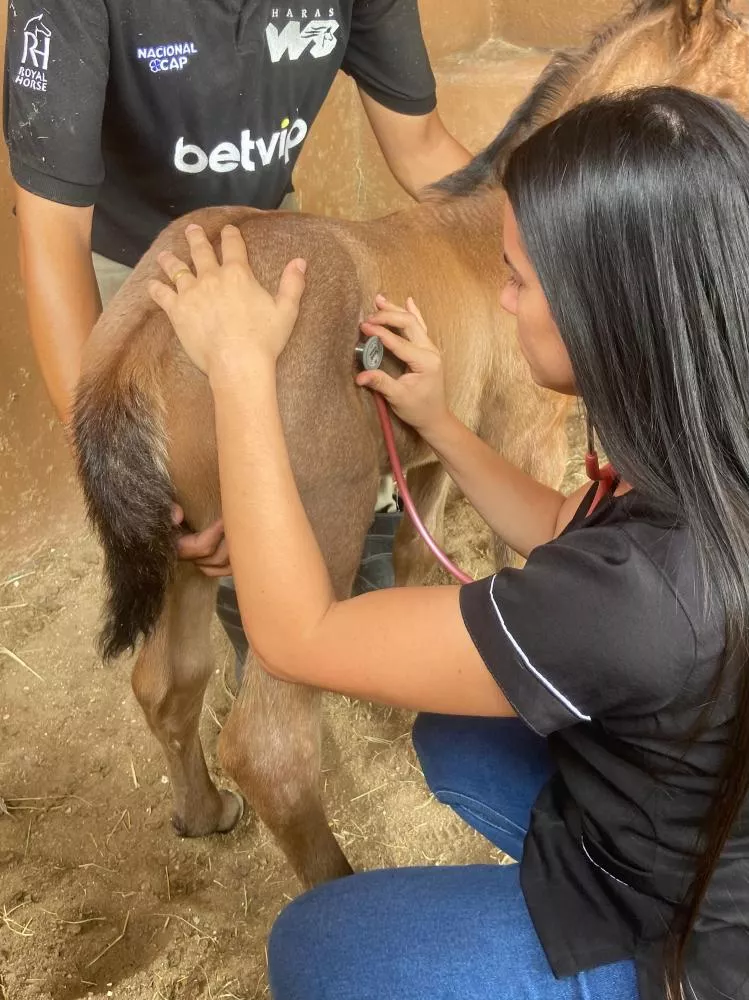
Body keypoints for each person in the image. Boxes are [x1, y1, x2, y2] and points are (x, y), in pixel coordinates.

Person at [150, 84, 749, 999]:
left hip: (695, 945)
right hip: (707, 810)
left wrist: (240, 369)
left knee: (316, 944)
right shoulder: (705, 448)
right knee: (458, 731)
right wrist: (441, 423)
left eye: (517, 277)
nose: (501, 302)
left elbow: (295, 634)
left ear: (602, 311)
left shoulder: (628, 602)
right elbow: (564, 527)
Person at [3, 0, 470, 660]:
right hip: (127, 272)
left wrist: (541, 232)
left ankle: (283, 618)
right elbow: (52, 234)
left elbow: (420, 147)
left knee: (281, 502)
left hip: (264, 241)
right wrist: (122, 481)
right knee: (179, 541)